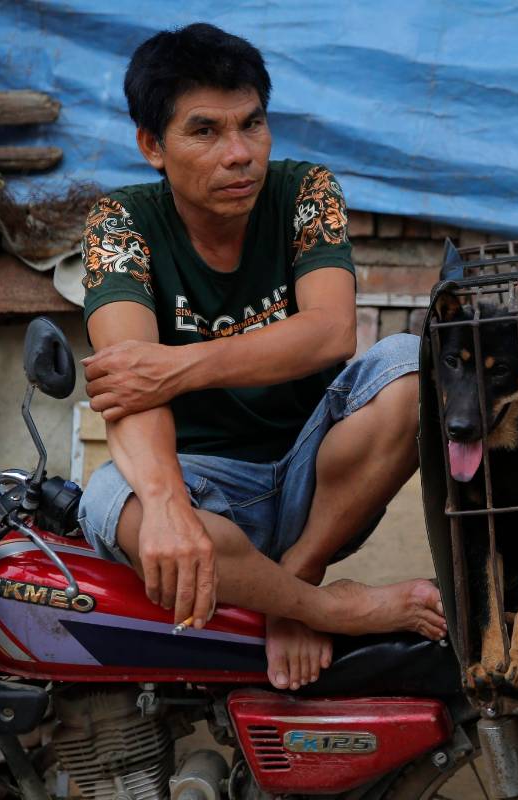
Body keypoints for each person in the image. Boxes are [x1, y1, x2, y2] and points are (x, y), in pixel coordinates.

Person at [76, 23, 444, 691]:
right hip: (205, 494)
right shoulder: (119, 224)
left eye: (252, 124)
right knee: (112, 499)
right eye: (205, 132)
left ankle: (298, 573)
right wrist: (162, 502)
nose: (239, 154)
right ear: (152, 147)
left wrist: (182, 364)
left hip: (318, 475)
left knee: (413, 367)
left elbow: (330, 332)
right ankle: (321, 607)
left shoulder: (306, 192)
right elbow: (130, 386)